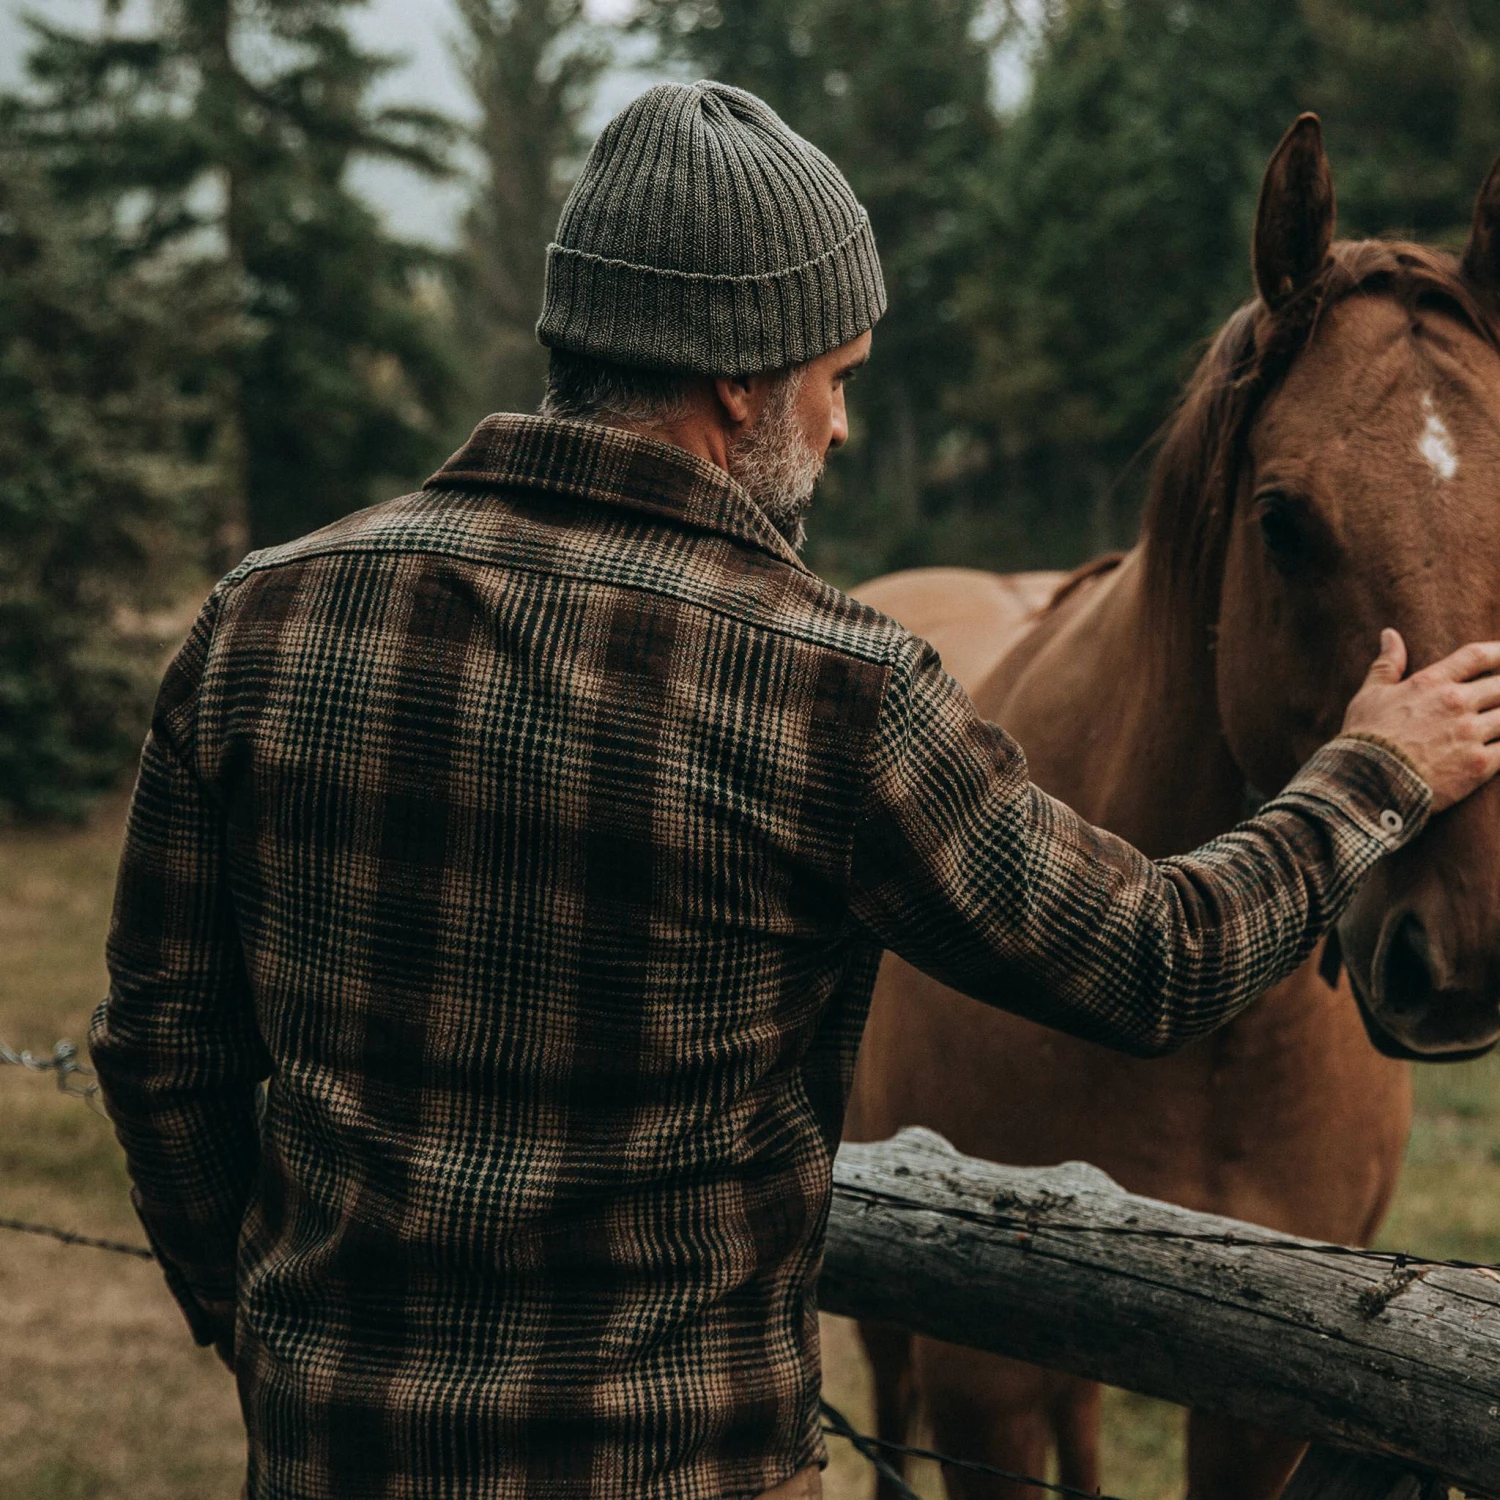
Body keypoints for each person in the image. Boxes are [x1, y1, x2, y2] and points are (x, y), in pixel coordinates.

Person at [90, 80, 1500, 1500]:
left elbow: (158, 1050)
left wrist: (266, 1329)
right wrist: (1375, 770)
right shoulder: (825, 686)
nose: (835, 431)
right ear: (739, 380)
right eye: (838, 381)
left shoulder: (260, 622)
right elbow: (1150, 955)